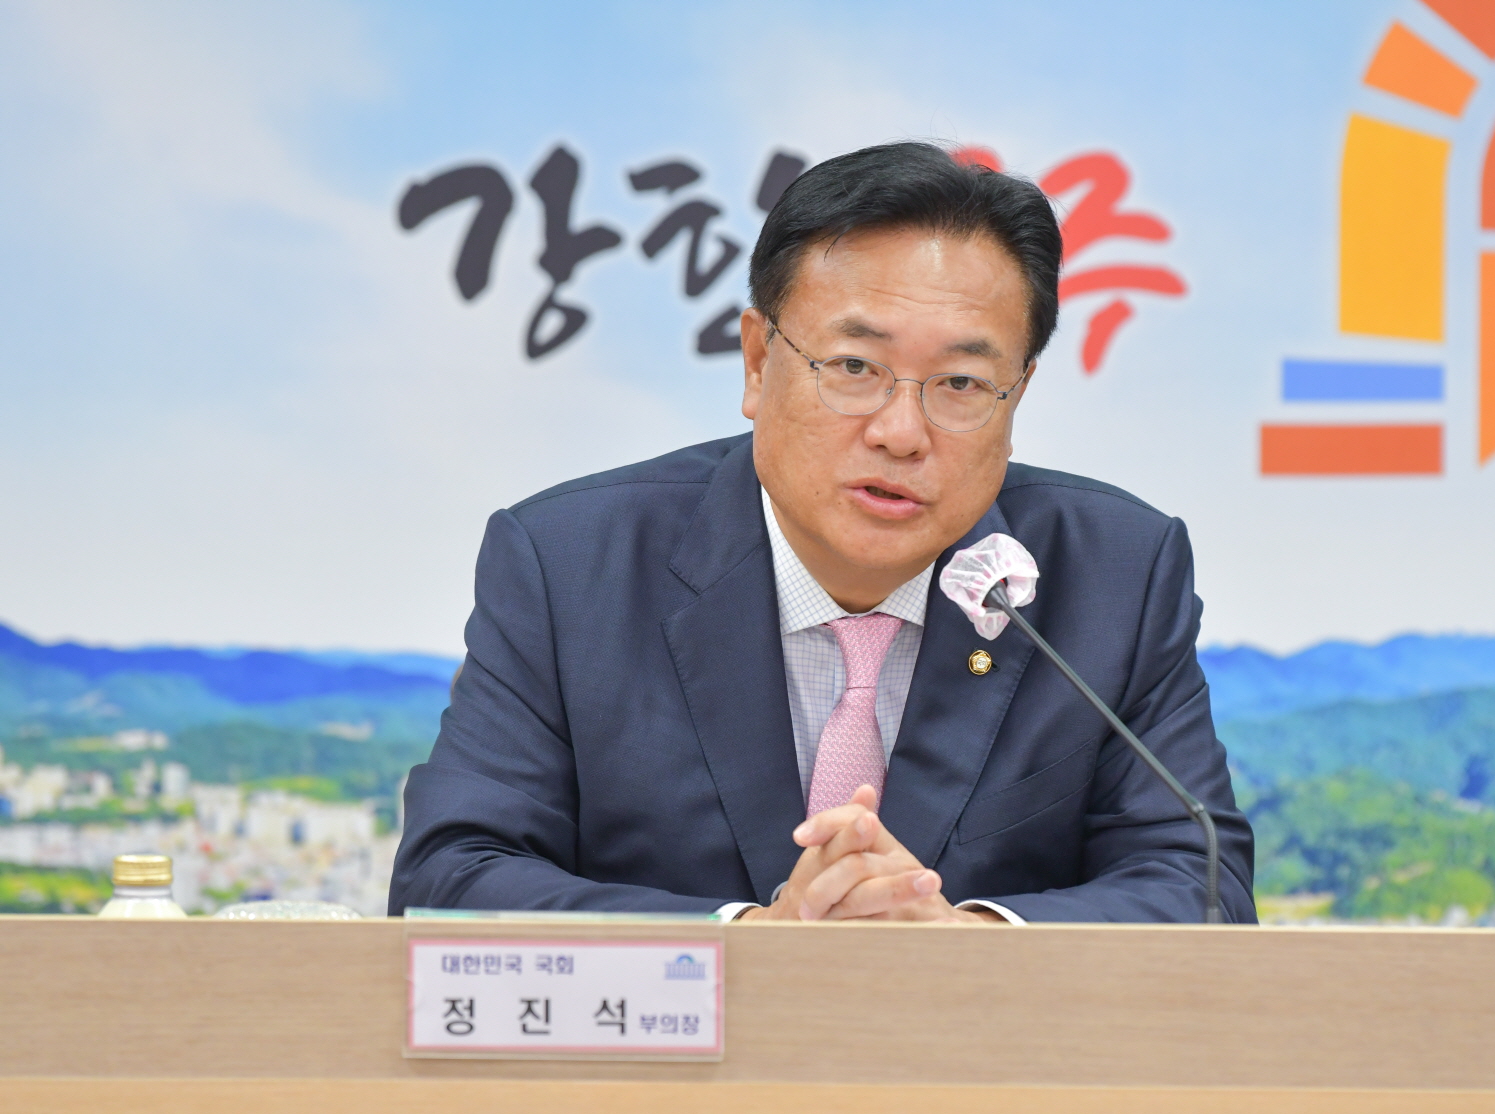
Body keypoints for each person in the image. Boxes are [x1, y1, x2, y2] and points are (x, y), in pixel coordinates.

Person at [390, 142, 1256, 923]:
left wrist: (971, 942)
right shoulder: (570, 565)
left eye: (960, 383)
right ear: (758, 360)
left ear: (1016, 395)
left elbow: (1202, 882)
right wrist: (750, 945)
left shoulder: (1114, 576)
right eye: (854, 367)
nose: (902, 433)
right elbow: (451, 878)